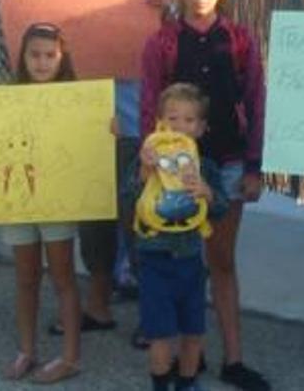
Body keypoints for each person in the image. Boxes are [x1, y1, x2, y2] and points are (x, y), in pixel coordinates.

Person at [140, 0, 269, 391]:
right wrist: (148, 155)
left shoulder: (239, 39)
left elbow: (255, 101)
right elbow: (148, 103)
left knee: (220, 261)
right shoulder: (162, 42)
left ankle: (233, 359)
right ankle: (179, 358)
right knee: (178, 261)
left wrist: (255, 165)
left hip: (227, 164)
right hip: (173, 168)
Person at [59, 0, 163, 341]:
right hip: (88, 133)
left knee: (142, 227)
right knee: (94, 228)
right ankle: (98, 308)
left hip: (136, 133)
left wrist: (167, 10)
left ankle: (152, 318)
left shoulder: (154, 2)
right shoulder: (68, 1)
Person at [0, 23, 83, 384]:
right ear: (21, 57)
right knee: (25, 278)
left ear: (61, 57)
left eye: (49, 55)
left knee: (63, 276)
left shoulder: (76, 99)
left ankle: (70, 356)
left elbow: (87, 145)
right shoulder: (6, 97)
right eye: (34, 55)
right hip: (17, 200)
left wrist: (108, 129)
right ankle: (27, 350)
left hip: (57, 200)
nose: (41, 62)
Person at [130, 83, 227, 391]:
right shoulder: (147, 162)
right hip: (154, 260)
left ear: (201, 128)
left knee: (193, 330)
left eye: (189, 120)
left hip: (190, 263)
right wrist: (145, 172)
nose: (179, 126)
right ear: (159, 121)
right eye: (172, 118)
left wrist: (208, 194)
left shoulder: (206, 168)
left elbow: (221, 209)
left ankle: (187, 382)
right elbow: (128, 198)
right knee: (158, 334)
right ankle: (160, 385)